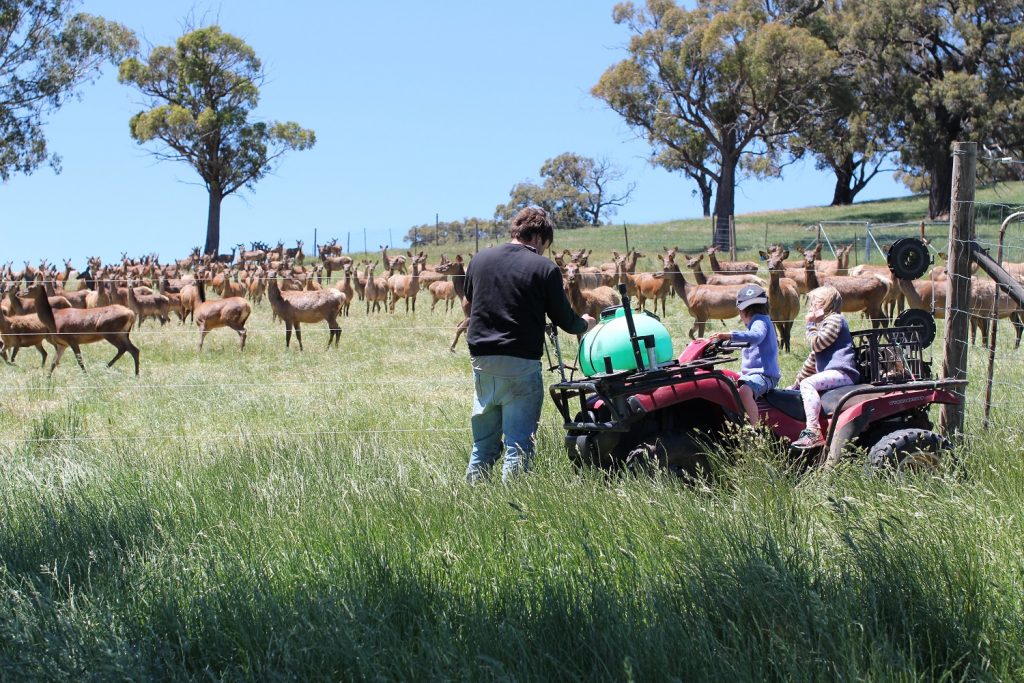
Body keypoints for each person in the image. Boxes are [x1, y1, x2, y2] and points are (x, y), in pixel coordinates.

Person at [462, 207, 596, 483]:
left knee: (483, 445)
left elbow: (471, 302)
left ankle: (471, 500)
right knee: (519, 445)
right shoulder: (544, 267)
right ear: (538, 238)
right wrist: (585, 323)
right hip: (520, 362)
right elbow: (565, 320)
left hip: (481, 360)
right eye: (545, 246)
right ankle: (514, 510)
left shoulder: (479, 260)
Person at [790, 285, 859, 448]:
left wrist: (810, 325)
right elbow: (812, 360)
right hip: (832, 374)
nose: (811, 308)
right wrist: (797, 383)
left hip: (842, 372)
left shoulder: (835, 320)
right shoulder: (824, 325)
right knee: (804, 384)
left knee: (808, 384)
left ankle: (813, 432)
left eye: (814, 304)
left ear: (825, 304)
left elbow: (818, 344)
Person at [708, 285, 780, 426]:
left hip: (766, 375)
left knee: (745, 391)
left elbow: (756, 336)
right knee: (727, 379)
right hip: (753, 373)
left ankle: (755, 428)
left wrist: (731, 335)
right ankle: (738, 419)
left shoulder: (760, 321)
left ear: (742, 311)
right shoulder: (759, 320)